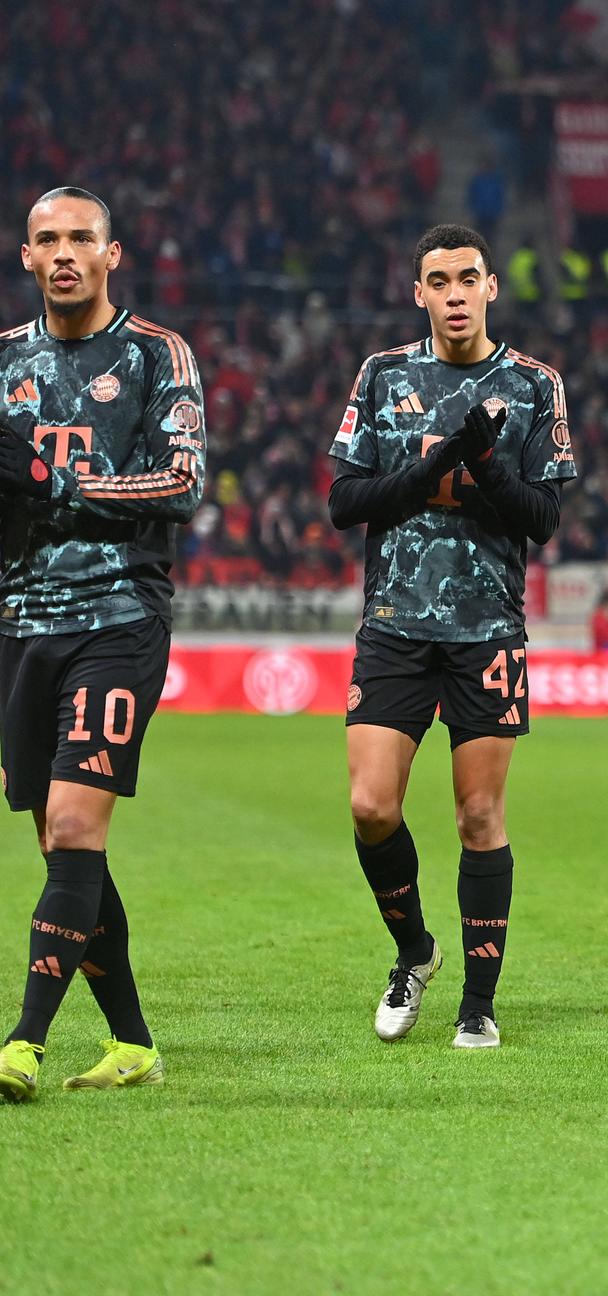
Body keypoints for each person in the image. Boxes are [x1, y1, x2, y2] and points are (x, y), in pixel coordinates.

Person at [327, 223, 577, 1049]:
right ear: (420, 293)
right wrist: (440, 466)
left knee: (478, 814)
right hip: (395, 626)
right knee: (370, 806)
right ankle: (414, 952)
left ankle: (479, 1002)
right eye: (440, 280)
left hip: (487, 632)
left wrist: (490, 465)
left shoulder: (536, 386)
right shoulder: (382, 376)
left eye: (470, 278)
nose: (457, 293)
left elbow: (543, 519)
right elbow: (345, 501)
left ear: (492, 287)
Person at [0, 187, 205, 1101]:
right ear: (28, 258)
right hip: (19, 626)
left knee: (78, 825)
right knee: (61, 846)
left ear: (113, 254)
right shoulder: (2, 363)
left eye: (83, 237)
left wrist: (57, 481)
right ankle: (133, 1042)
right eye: (49, 240)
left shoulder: (159, 355)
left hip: (119, 618)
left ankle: (22, 1045)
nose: (66, 252)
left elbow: (182, 480)